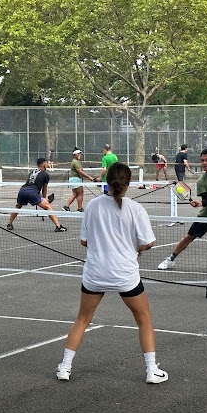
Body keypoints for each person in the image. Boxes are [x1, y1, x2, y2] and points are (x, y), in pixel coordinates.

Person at [56, 162, 167, 384]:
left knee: (82, 319)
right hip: (125, 275)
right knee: (144, 319)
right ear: (128, 184)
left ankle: (65, 367)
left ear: (108, 180)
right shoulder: (136, 209)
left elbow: (84, 241)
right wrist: (137, 248)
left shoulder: (92, 206)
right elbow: (149, 242)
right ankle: (151, 370)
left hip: (95, 274)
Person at [7, 157, 67, 232]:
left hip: (22, 191)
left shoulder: (32, 172)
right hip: (32, 193)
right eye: (47, 163)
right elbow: (44, 189)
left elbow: (32, 183)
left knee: (18, 206)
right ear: (44, 164)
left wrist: (39, 197)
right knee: (48, 207)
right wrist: (45, 199)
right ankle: (58, 226)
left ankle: (9, 224)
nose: (48, 165)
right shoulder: (45, 175)